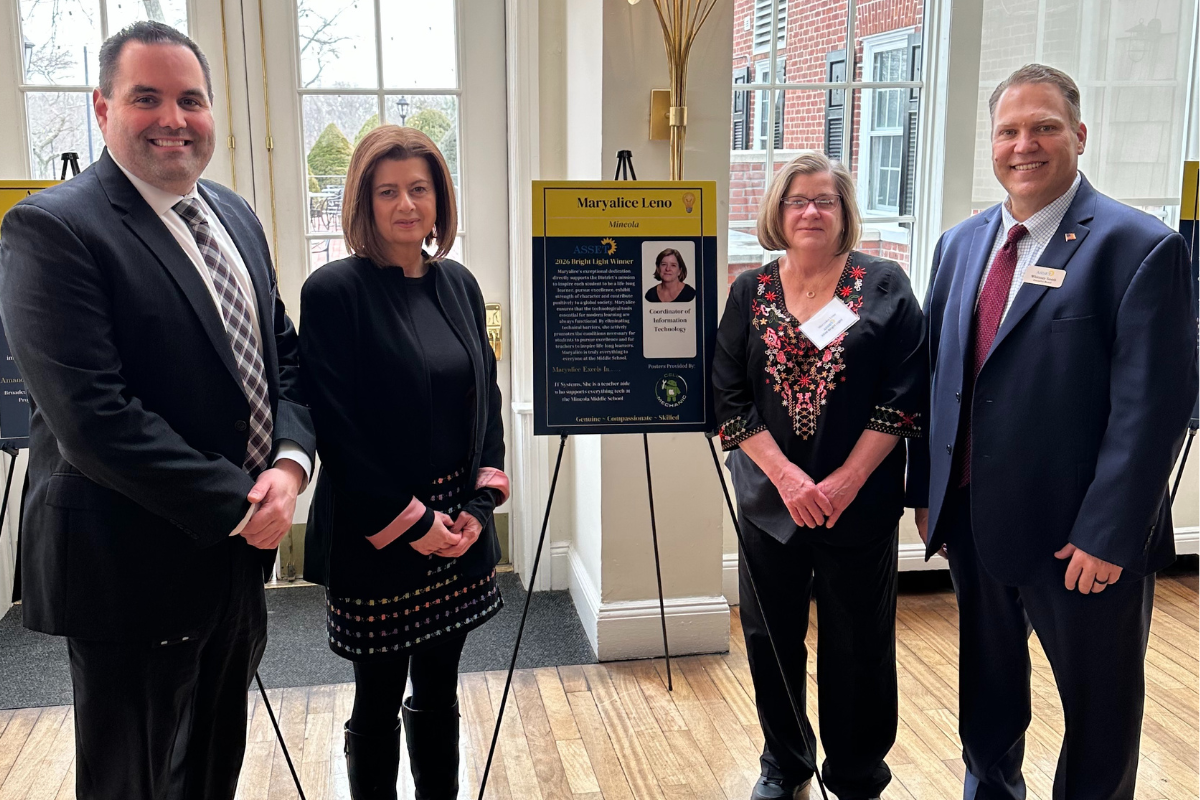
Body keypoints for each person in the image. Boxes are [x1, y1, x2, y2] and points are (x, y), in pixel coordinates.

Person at [0, 21, 315, 800]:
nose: (173, 118)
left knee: (212, 762)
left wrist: (288, 464)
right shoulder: (54, 230)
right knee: (131, 779)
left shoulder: (233, 215)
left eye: (190, 100)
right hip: (128, 567)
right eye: (148, 98)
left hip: (237, 558)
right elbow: (93, 420)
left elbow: (285, 359)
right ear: (103, 110)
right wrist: (242, 505)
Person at [908, 64, 1197, 800]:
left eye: (1044, 127)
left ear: (1080, 136)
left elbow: (1151, 409)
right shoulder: (959, 245)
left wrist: (1109, 534)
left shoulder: (1140, 246)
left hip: (1081, 541)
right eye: (1009, 130)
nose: (1024, 144)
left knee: (1099, 718)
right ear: (992, 143)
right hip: (976, 523)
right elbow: (940, 381)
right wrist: (926, 491)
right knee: (988, 700)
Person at [300, 125, 506, 800]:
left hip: (458, 528)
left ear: (439, 199)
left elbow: (486, 399)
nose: (405, 204)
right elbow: (338, 429)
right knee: (378, 697)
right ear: (364, 201)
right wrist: (415, 523)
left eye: (419, 188)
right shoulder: (334, 291)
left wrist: (480, 505)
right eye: (387, 191)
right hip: (379, 532)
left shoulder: (460, 285)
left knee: (441, 688)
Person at [713, 151, 926, 800]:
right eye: (796, 200)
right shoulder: (750, 291)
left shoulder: (884, 283)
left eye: (824, 200)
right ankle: (785, 762)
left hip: (856, 504)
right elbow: (726, 398)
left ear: (844, 213)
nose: (810, 211)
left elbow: (904, 394)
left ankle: (857, 773)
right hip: (768, 504)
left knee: (859, 644)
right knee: (770, 639)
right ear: (777, 212)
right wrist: (787, 481)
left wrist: (842, 483)